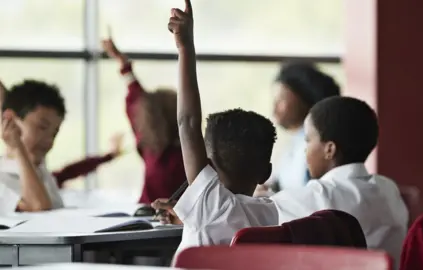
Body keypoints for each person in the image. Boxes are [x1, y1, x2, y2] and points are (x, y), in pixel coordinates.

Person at [151, 0, 278, 254]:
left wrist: (185, 47)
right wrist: (190, 213)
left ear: (208, 166)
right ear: (266, 173)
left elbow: (187, 123)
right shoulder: (270, 213)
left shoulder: (211, 207)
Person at [271, 96, 408, 267]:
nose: (305, 149)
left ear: (329, 149)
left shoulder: (319, 196)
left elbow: (255, 213)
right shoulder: (388, 188)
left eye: (308, 140)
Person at [101, 34, 186, 203]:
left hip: (149, 215)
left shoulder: (150, 149)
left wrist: (123, 64)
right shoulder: (190, 156)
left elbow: (136, 98)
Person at [257, 62, 340, 194]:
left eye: (281, 99)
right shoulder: (293, 143)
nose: (274, 107)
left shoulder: (319, 147)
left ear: (305, 99)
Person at [0, 80, 65, 213]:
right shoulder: (3, 177)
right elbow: (39, 207)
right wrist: (18, 148)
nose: (49, 141)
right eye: (41, 127)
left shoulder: (41, 171)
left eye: (54, 133)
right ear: (11, 121)